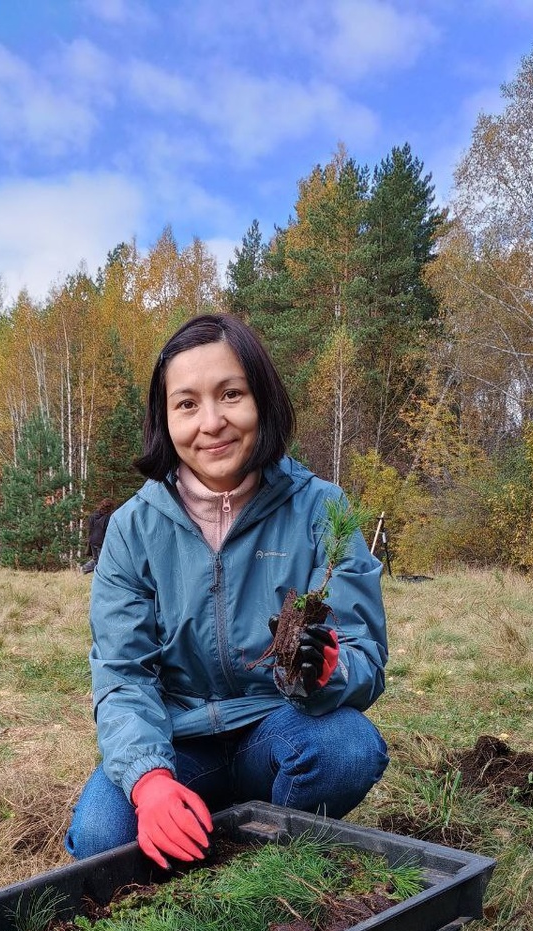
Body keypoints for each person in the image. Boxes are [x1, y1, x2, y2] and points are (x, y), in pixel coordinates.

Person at [65, 313, 389, 870]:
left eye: (230, 394)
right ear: (164, 420)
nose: (211, 422)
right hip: (180, 740)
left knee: (346, 749)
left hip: (279, 724)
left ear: (261, 399)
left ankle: (269, 859)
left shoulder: (321, 509)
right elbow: (123, 677)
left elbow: (364, 655)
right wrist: (150, 783)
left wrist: (326, 671)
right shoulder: (133, 528)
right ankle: (202, 817)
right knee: (101, 836)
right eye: (186, 403)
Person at [81, 499, 117, 573]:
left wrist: (89, 539)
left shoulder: (93, 516)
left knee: (97, 560)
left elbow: (90, 529)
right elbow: (109, 531)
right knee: (102, 562)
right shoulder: (109, 517)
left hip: (93, 541)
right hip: (101, 542)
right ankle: (85, 570)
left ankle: (83, 569)